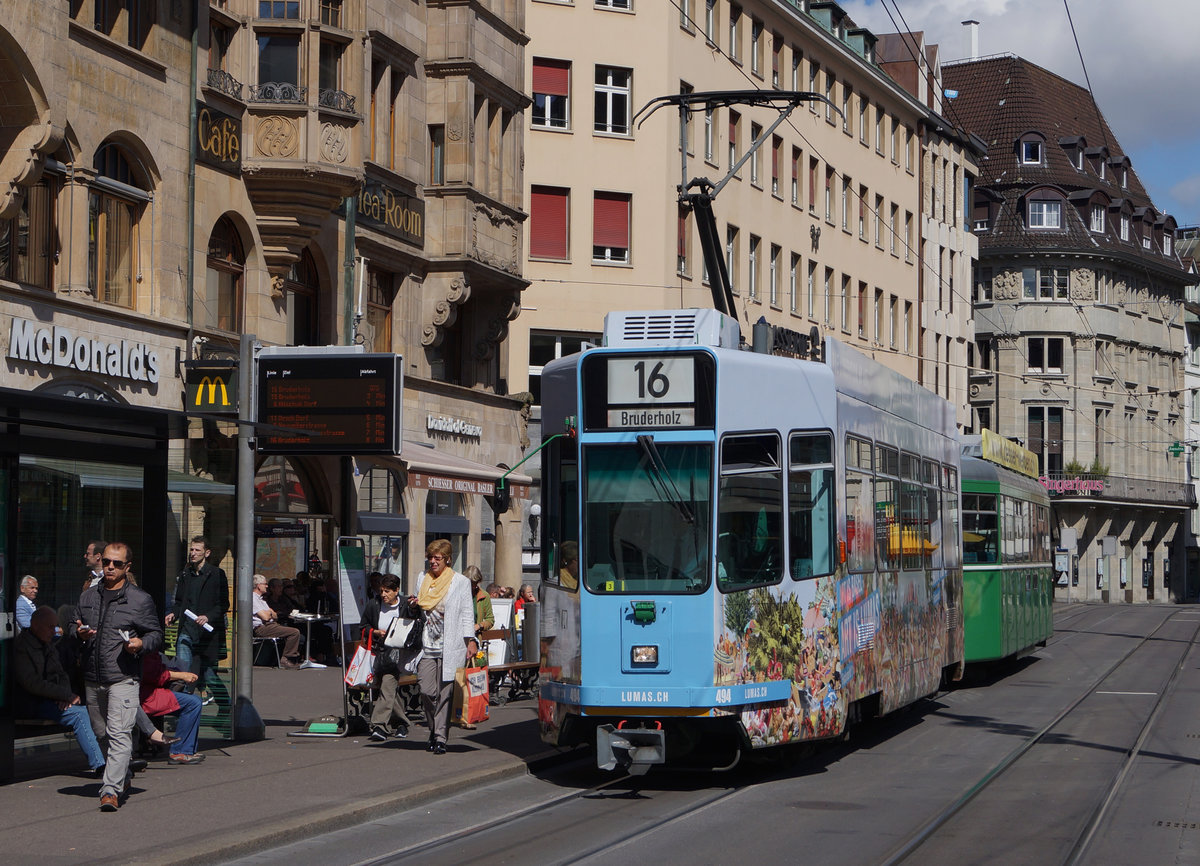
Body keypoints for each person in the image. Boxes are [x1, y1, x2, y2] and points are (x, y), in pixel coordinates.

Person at [76, 542, 163, 812]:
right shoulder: (88, 596)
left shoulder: (139, 599)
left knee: (119, 734)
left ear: (127, 567)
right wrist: (77, 632)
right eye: (106, 562)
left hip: (123, 676)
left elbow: (155, 635)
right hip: (93, 677)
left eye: (117, 563)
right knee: (101, 733)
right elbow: (72, 623)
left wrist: (140, 643)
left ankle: (110, 790)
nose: (110, 567)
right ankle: (123, 776)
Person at [13, 606, 106, 777]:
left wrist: (65, 696)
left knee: (89, 707)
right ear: (36, 626)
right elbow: (32, 683)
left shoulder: (47, 645)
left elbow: (61, 674)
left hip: (51, 698)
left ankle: (110, 759)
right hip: (31, 702)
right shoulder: (22, 647)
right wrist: (64, 695)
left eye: (55, 626)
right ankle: (100, 764)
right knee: (79, 714)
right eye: (50, 627)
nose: (54, 631)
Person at [405, 540, 476, 755]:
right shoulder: (422, 578)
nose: (433, 561)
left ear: (447, 559)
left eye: (438, 558)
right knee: (427, 691)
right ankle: (434, 728)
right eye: (430, 557)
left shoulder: (460, 582)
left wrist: (471, 640)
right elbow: (419, 609)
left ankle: (440, 738)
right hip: (426, 645)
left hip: (450, 645)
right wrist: (414, 605)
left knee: (445, 694)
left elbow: (467, 612)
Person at [165, 536, 230, 708]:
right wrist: (173, 614)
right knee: (183, 671)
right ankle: (183, 707)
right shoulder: (185, 574)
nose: (193, 553)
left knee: (209, 675)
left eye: (197, 550)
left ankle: (225, 705)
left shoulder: (217, 574)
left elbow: (224, 604)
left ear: (206, 553)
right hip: (187, 631)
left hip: (207, 634)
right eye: (191, 550)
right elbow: (179, 602)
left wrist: (208, 616)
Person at [358, 574, 412, 741]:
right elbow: (363, 626)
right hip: (379, 654)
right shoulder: (374, 604)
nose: (383, 595)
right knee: (388, 688)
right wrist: (374, 632)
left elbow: (416, 623)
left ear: (397, 591)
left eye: (387, 591)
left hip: (399, 655)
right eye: (381, 591)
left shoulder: (405, 604)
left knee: (388, 684)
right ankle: (401, 723)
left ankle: (379, 725)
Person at [138, 651, 205, 764]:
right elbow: (153, 674)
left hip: (147, 692)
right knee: (193, 703)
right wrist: (182, 675)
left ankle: (185, 750)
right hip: (146, 695)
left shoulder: (147, 648)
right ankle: (180, 751)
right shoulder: (145, 648)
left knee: (194, 701)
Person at [252, 574, 301, 668]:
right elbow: (266, 617)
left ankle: (283, 658)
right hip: (262, 628)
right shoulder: (253, 599)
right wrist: (269, 612)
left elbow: (275, 616)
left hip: (271, 625)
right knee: (294, 632)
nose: (267, 586)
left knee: (291, 630)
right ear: (258, 586)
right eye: (265, 584)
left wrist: (269, 613)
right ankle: (286, 659)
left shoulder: (261, 599)